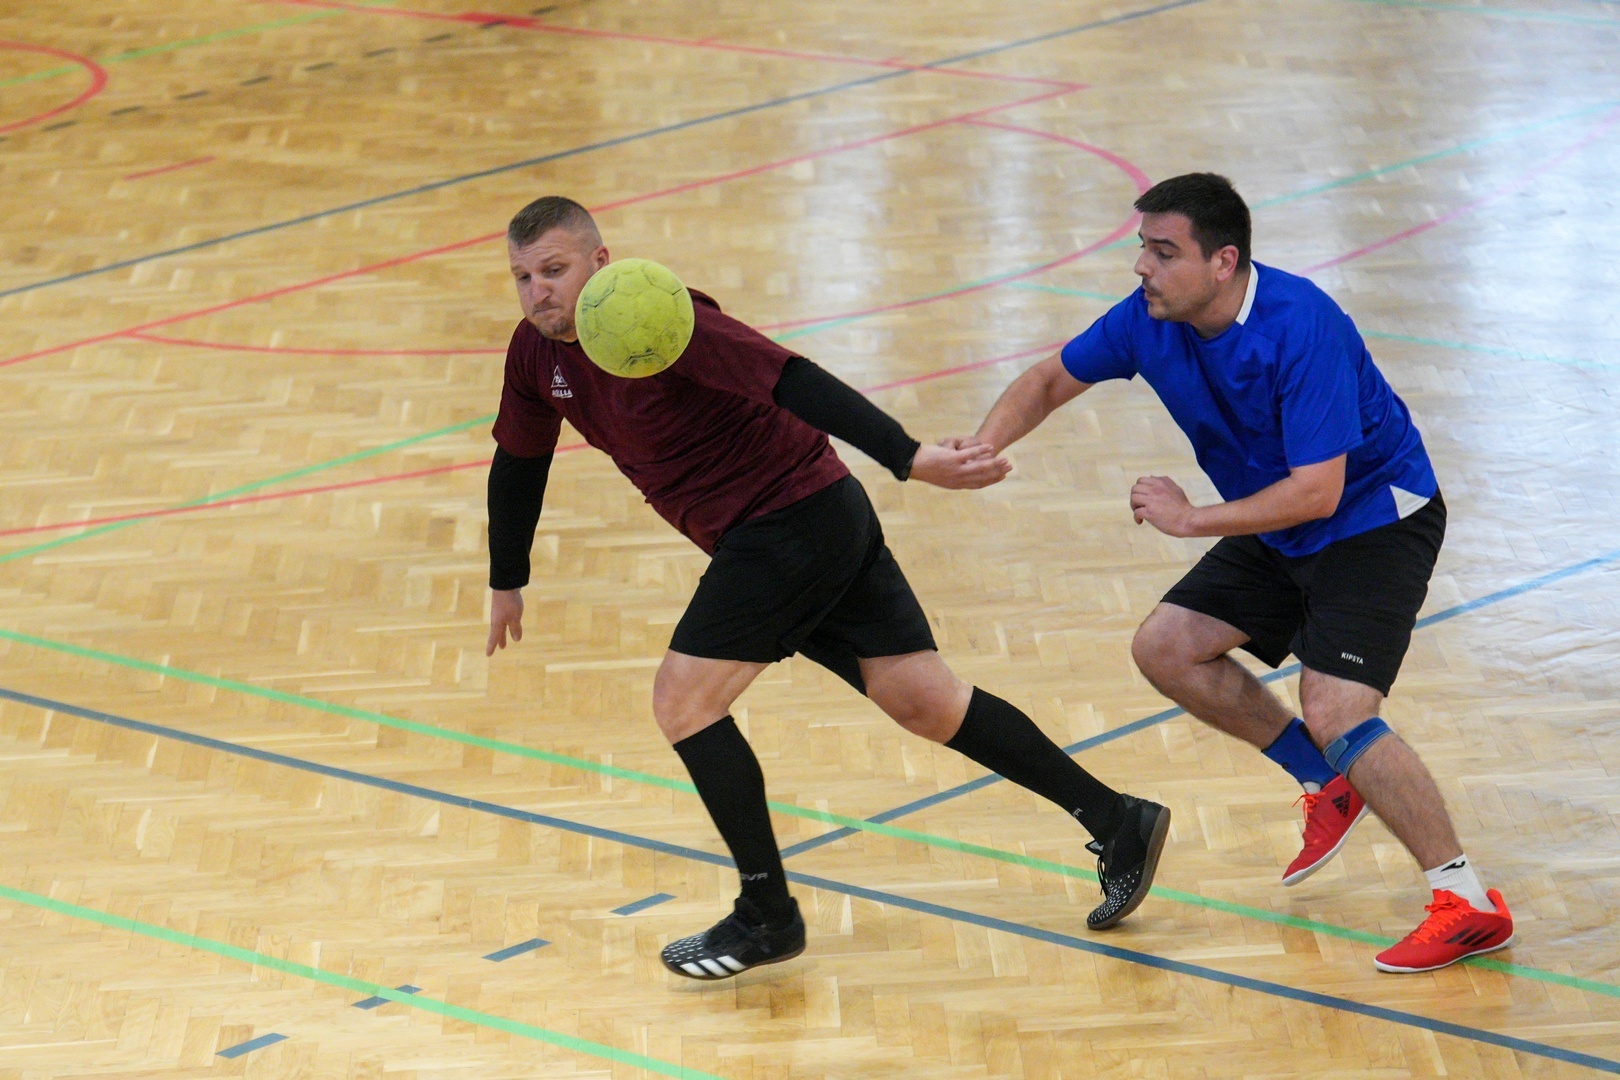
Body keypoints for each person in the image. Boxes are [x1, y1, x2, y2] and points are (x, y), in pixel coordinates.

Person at [483, 196, 1172, 981]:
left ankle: (767, 915)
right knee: (923, 699)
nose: (538, 291)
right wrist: (508, 578)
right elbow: (519, 461)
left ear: (600, 263)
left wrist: (909, 456)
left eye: (554, 270)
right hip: (806, 520)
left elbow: (793, 380)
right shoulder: (535, 357)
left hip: (789, 521)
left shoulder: (666, 317)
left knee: (684, 701)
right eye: (523, 277)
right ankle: (1117, 819)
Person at [958, 173, 1513, 974]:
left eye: (1163, 252)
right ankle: (1326, 781)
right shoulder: (1149, 319)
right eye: (1142, 249)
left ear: (1223, 262)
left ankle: (1466, 903)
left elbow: (1319, 491)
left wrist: (1190, 519)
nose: (1142, 268)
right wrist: (985, 446)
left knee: (1338, 710)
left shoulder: (1300, 325)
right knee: (1167, 647)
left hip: (1373, 520)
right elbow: (1049, 379)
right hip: (1279, 519)